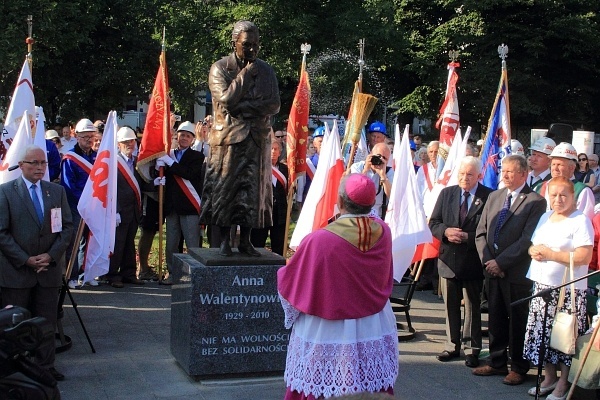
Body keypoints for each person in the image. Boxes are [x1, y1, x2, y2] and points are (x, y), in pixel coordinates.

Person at [277, 173, 398, 399]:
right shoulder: (383, 231)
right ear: (371, 203)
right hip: (372, 322)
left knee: (317, 385)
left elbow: (292, 283)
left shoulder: (319, 240)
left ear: (340, 202)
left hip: (327, 326)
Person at [200, 20, 280, 257]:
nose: (252, 50)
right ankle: (224, 239)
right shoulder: (220, 68)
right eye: (247, 45)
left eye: (256, 45)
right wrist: (245, 74)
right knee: (226, 189)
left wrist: (244, 108)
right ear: (234, 43)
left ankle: (245, 240)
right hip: (228, 140)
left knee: (253, 191)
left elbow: (273, 104)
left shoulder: (266, 70)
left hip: (257, 139)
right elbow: (226, 100)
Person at [0, 145, 74, 381]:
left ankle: (45, 367)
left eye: (43, 163)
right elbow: (2, 233)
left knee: (46, 322)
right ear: (21, 165)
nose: (40, 167)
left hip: (48, 272)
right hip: (16, 272)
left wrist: (50, 256)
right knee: (17, 324)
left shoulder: (56, 191)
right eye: (34, 163)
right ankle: (17, 369)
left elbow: (66, 228)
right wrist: (25, 259)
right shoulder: (6, 192)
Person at [474, 154, 547, 385]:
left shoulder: (535, 201)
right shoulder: (495, 196)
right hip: (492, 270)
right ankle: (496, 362)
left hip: (516, 273)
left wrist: (502, 263)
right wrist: (489, 261)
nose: (504, 175)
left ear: (523, 174)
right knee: (495, 317)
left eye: (510, 172)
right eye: (503, 171)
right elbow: (481, 232)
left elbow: (527, 239)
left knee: (517, 320)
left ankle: (518, 366)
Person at [523, 176, 593, 398]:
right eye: (553, 195)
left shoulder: (580, 220)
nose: (558, 199)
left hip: (567, 291)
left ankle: (563, 382)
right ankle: (549, 377)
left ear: (573, 197)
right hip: (542, 287)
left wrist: (551, 254)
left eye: (563, 195)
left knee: (564, 337)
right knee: (542, 334)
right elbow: (534, 245)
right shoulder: (545, 216)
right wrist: (533, 251)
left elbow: (584, 256)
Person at [429, 156, 493, 368]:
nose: (465, 178)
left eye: (470, 175)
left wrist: (469, 236)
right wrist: (445, 232)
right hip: (448, 260)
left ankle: (472, 348)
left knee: (473, 307)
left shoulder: (488, 196)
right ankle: (451, 344)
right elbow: (434, 222)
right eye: (462, 174)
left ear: (479, 176)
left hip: (473, 260)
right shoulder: (447, 193)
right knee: (450, 305)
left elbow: (490, 229)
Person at [156, 121, 205, 285]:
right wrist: (159, 170)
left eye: (188, 136)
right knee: (172, 244)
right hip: (171, 207)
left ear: (192, 139)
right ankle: (173, 273)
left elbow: (189, 174)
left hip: (189, 207)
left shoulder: (197, 156)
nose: (184, 138)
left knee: (192, 244)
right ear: (177, 136)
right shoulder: (168, 154)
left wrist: (170, 164)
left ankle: (195, 275)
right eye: (182, 135)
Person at [106, 127, 145, 288]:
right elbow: (109, 189)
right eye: (125, 142)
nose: (129, 144)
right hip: (119, 211)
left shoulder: (137, 162)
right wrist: (114, 210)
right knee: (118, 243)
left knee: (130, 243)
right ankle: (113, 275)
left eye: (131, 141)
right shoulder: (113, 162)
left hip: (134, 210)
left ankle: (129, 273)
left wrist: (156, 182)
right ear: (118, 144)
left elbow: (141, 184)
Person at [60, 118, 97, 288]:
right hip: (75, 206)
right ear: (77, 137)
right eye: (85, 137)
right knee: (74, 241)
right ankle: (72, 276)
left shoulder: (97, 156)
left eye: (92, 137)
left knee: (90, 240)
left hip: (94, 205)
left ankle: (87, 273)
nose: (89, 140)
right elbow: (68, 185)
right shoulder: (70, 158)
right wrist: (84, 201)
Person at [539, 142, 595, 221]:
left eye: (559, 165)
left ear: (572, 168)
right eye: (553, 164)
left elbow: (585, 221)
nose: (555, 168)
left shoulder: (583, 191)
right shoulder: (541, 187)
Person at [250, 141, 288, 256]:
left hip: (279, 211)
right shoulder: (259, 167)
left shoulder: (285, 169)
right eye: (271, 149)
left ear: (279, 152)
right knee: (258, 242)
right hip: (262, 210)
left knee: (278, 243)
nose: (273, 152)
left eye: (276, 149)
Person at [349, 142, 393, 218]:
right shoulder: (357, 167)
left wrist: (383, 176)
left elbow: (392, 196)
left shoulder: (389, 171)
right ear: (371, 154)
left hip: (379, 217)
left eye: (384, 158)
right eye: (378, 156)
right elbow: (355, 190)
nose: (380, 160)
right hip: (358, 214)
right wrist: (365, 170)